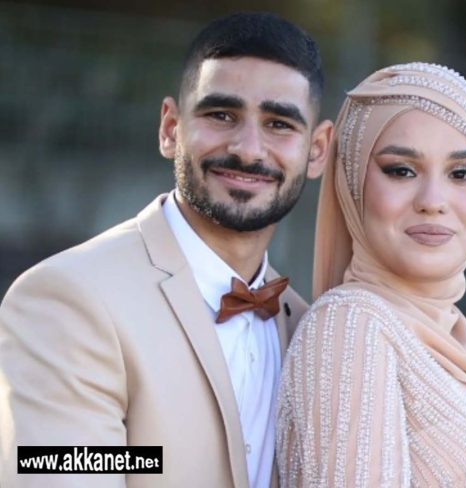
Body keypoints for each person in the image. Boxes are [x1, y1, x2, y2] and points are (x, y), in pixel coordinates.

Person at [0, 12, 332, 488]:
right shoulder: (68, 300)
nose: (248, 149)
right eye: (221, 115)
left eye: (279, 124)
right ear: (171, 128)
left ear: (317, 150)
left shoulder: (311, 333)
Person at [277, 62, 466, 486]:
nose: (433, 200)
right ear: (352, 185)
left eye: (462, 173)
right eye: (401, 170)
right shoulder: (352, 326)